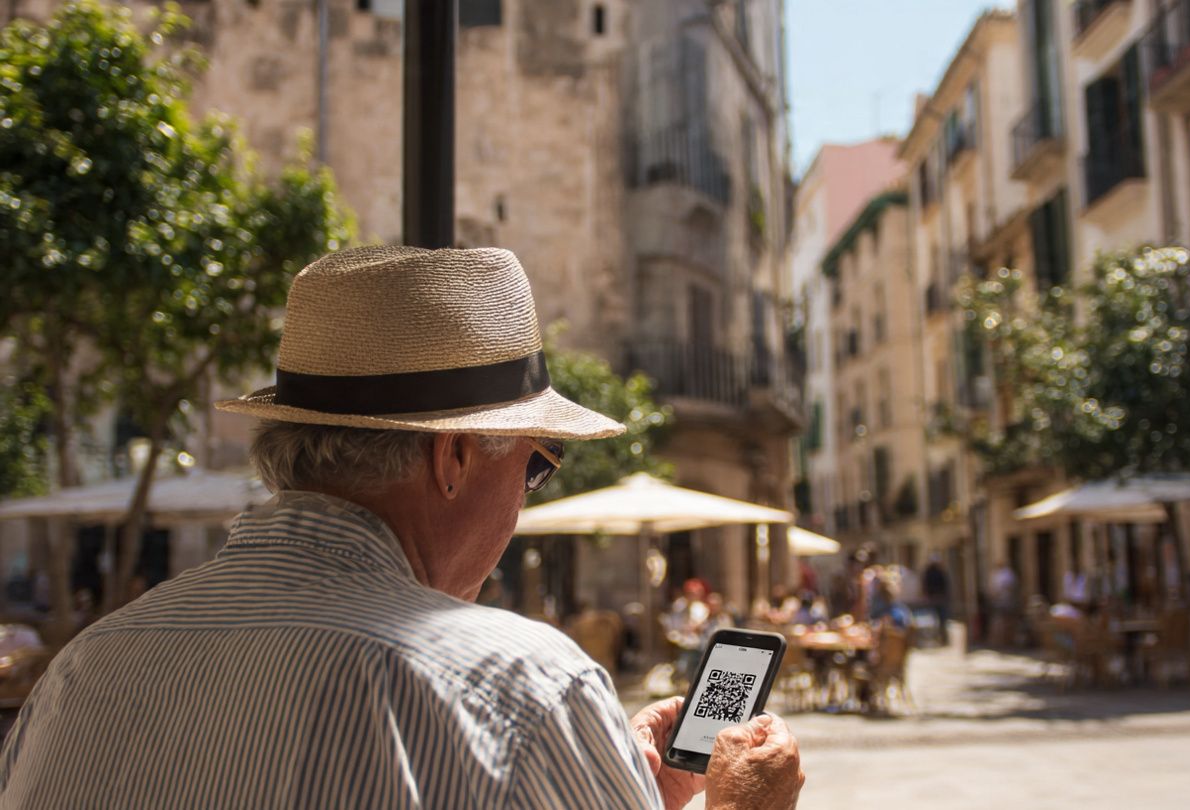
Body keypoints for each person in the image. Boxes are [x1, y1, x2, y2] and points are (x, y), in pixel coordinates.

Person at [0, 247, 804, 809]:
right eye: (533, 468)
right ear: (453, 458)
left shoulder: (83, 672)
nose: (524, 501)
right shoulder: (524, 687)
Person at [921, 554, 951, 644]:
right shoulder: (938, 572)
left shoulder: (933, 572)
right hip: (937, 597)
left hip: (936, 598)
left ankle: (940, 637)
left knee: (937, 619)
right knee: (938, 619)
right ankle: (939, 637)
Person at [987, 561, 1018, 647]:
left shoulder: (1007, 574)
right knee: (1000, 620)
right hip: (1000, 601)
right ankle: (1000, 640)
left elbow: (1008, 587)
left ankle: (1006, 640)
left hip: (1005, 600)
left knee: (1006, 620)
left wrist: (998, 593)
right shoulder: (998, 574)